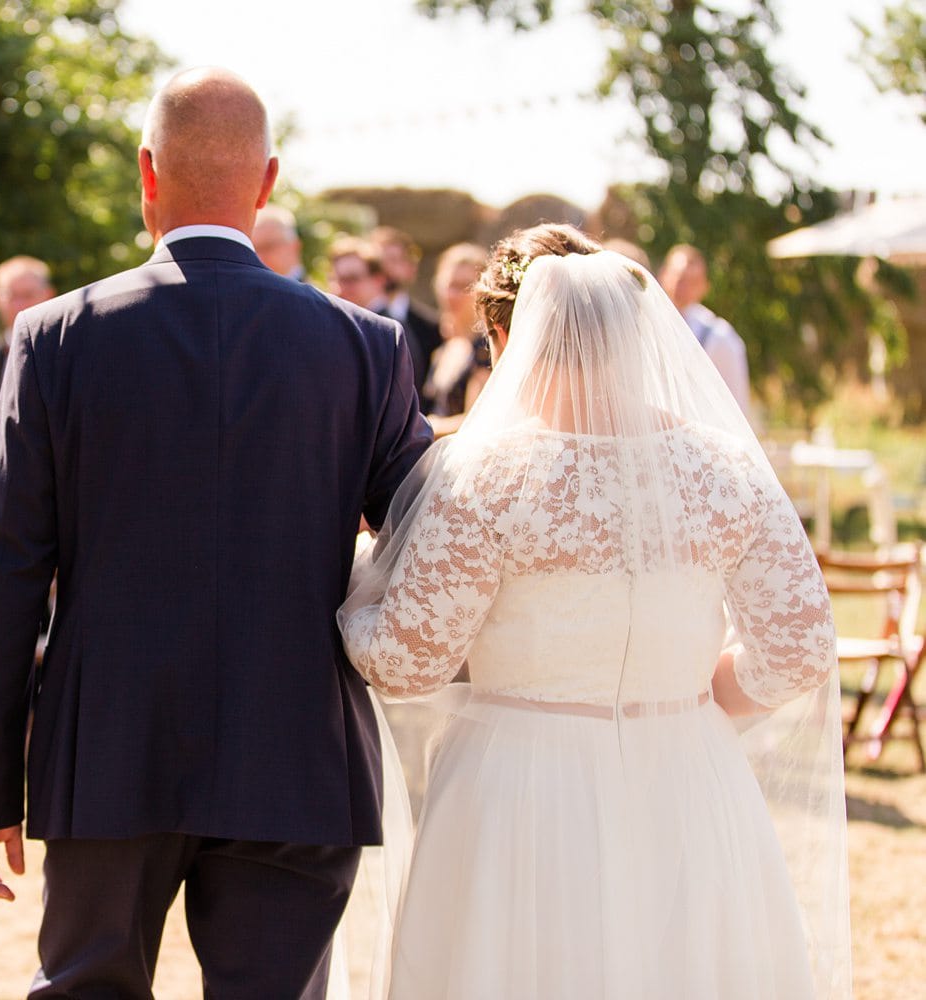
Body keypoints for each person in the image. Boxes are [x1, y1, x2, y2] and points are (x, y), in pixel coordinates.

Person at [0, 67, 431, 998]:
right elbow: (426, 538)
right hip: (299, 748)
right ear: (268, 181)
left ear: (147, 174)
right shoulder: (365, 346)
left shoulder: (54, 337)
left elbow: (8, 570)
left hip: (108, 747)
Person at [339, 234, 848, 998]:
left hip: (520, 782)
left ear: (518, 340)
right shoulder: (723, 466)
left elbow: (409, 664)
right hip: (689, 771)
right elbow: (802, 645)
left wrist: (350, 590)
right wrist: (692, 693)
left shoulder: (491, 474)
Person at [659, 243, 752, 421]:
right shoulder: (644, 324)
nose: (683, 288)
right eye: (680, 279)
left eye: (693, 282)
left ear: (704, 287)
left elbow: (737, 403)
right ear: (663, 275)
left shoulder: (719, 336)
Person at [0, 256, 55, 441]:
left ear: (49, 294)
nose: (20, 305)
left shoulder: (62, 349)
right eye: (11, 296)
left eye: (28, 295)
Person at [418, 242, 489, 436]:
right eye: (449, 285)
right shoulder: (446, 345)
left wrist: (424, 427)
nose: (453, 295)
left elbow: (478, 420)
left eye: (464, 287)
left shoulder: (486, 348)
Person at [372, 225, 443, 402]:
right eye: (379, 262)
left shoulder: (431, 327)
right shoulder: (356, 319)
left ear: (411, 268)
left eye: (395, 260)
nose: (386, 269)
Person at [253, 204, 306, 280]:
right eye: (255, 249)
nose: (259, 257)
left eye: (268, 247)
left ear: (294, 247)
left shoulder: (317, 291)